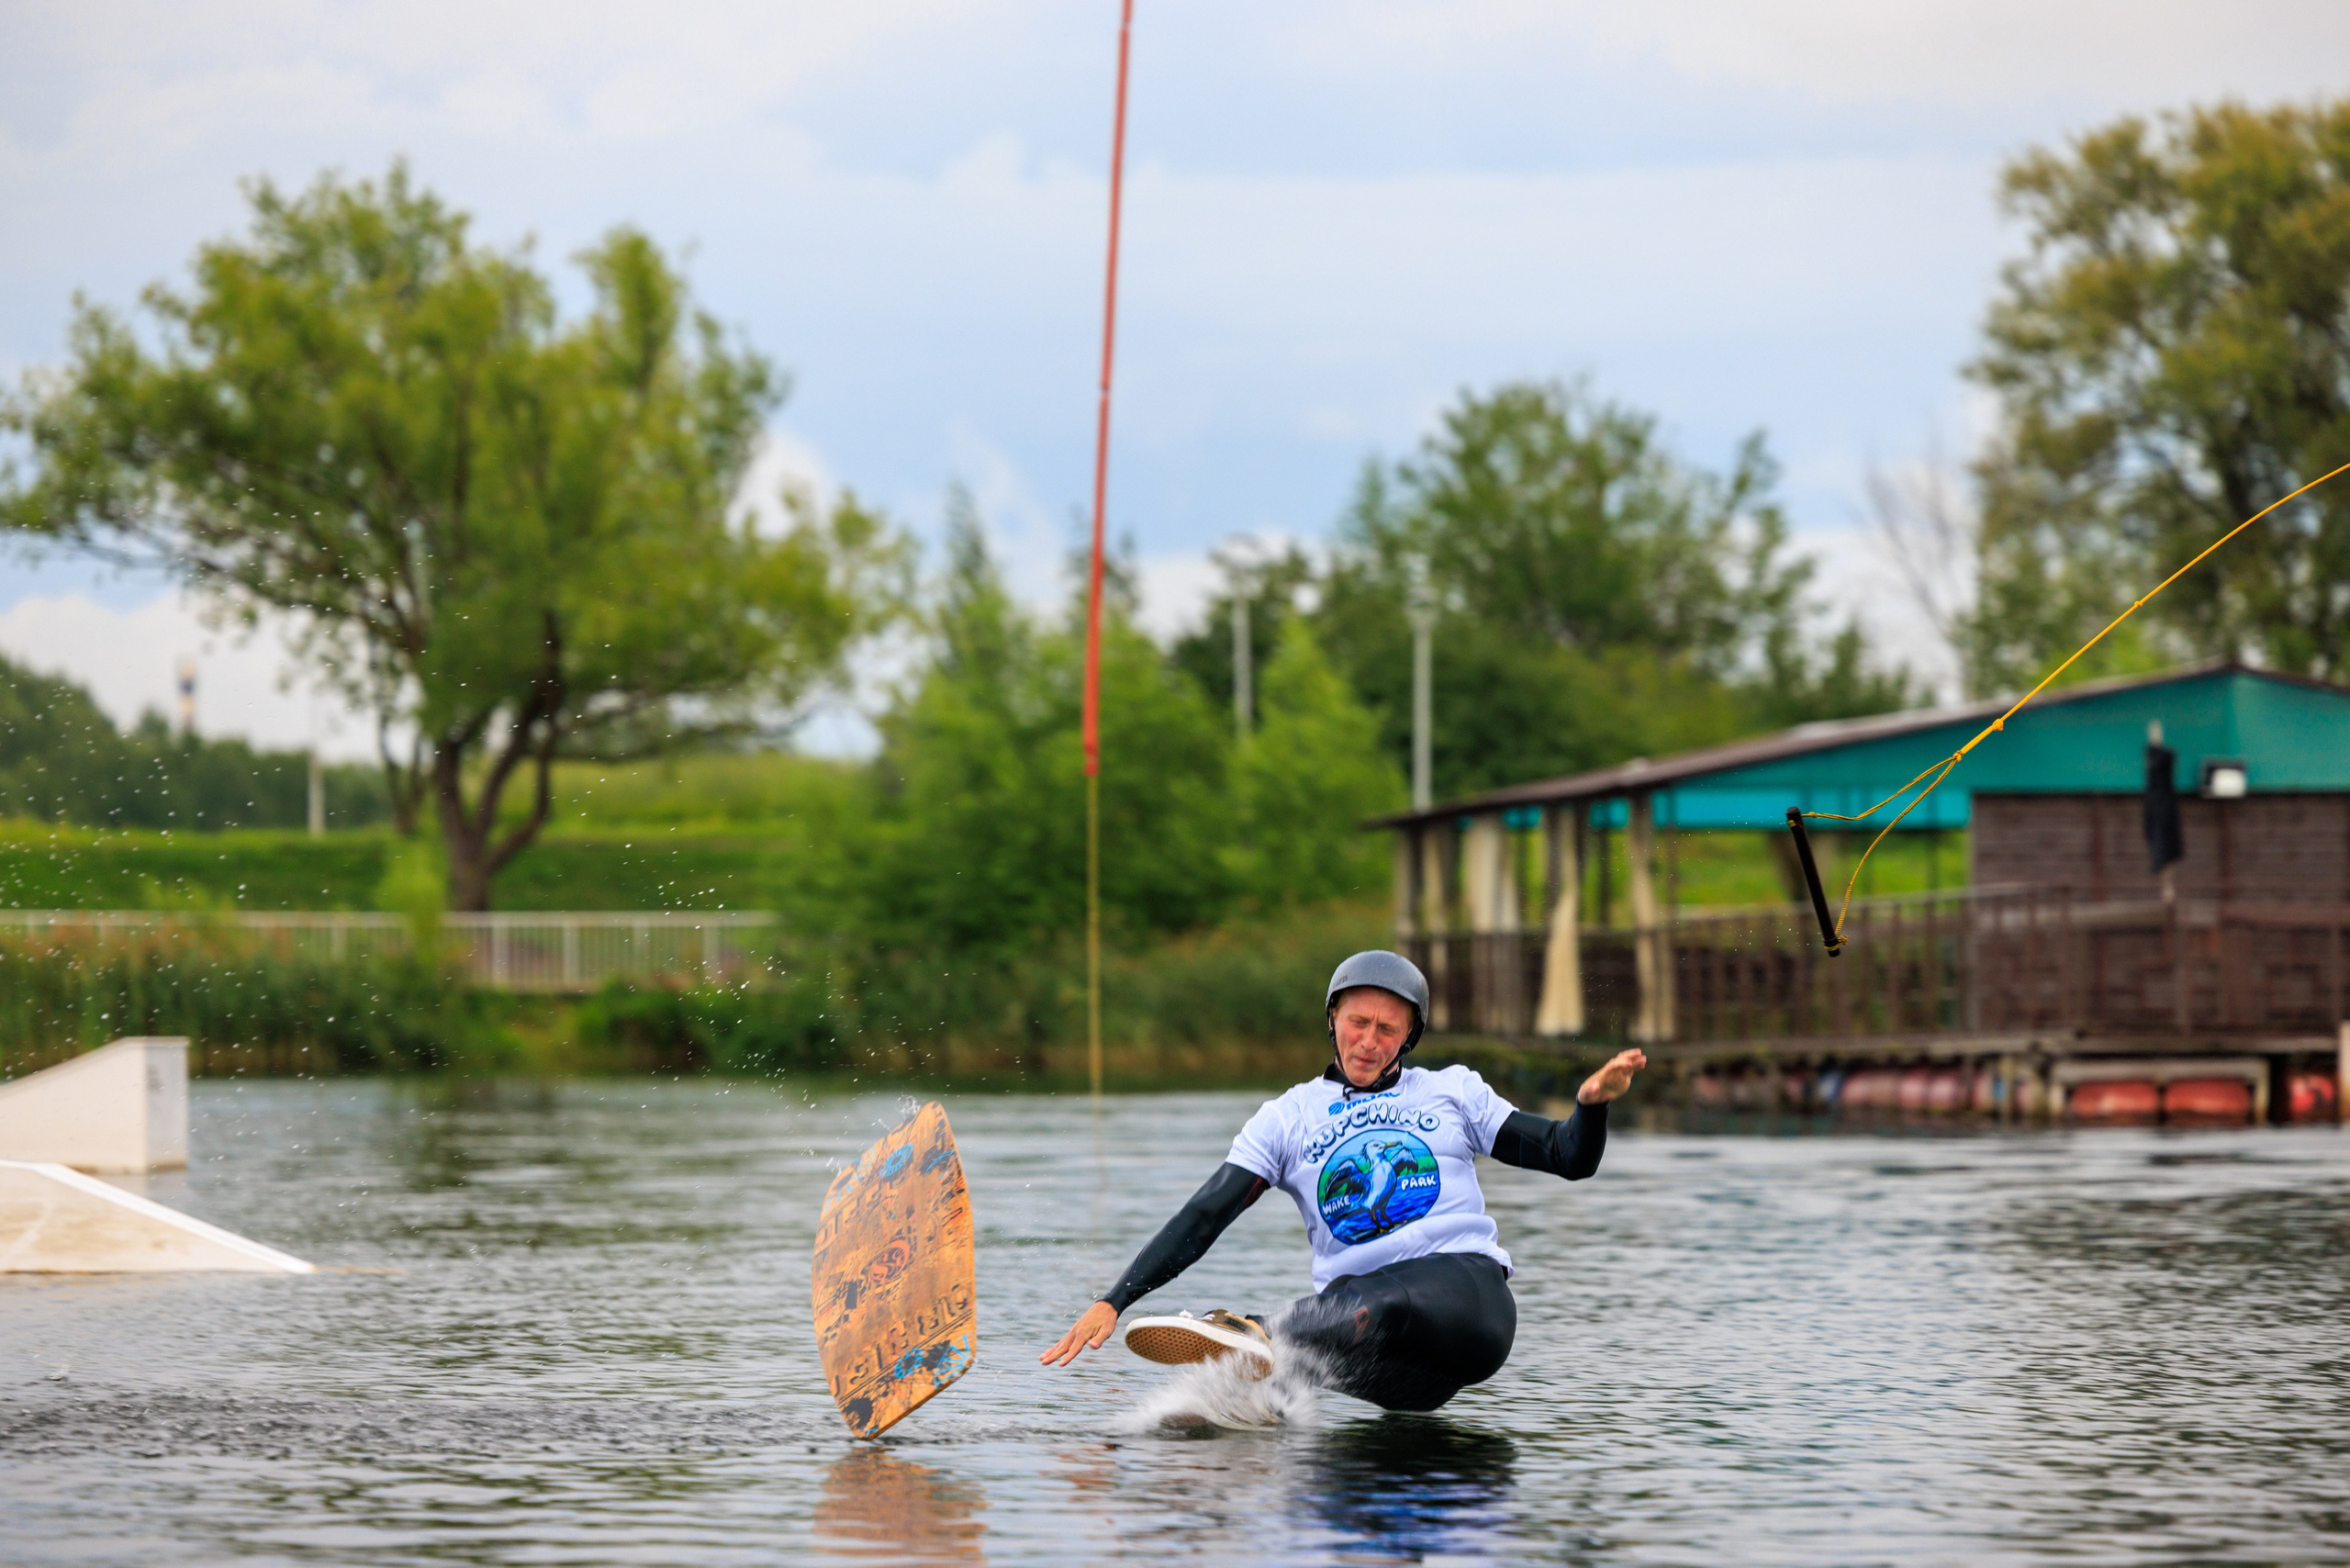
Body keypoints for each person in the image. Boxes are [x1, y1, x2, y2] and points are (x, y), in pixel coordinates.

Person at [1039, 949, 1646, 1413]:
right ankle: (1220, 1426)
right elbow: (1205, 1216)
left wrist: (1592, 1106)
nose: (1369, 1041)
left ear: (1409, 1035)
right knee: (1303, 1373)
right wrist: (1114, 1298)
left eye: (1388, 1030)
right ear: (1332, 1018)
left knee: (1368, 1304)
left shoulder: (1453, 1092)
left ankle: (1258, 1330)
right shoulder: (1287, 1119)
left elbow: (1569, 1157)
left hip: (1467, 1308)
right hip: (1381, 1362)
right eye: (1358, 1023)